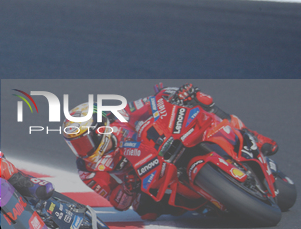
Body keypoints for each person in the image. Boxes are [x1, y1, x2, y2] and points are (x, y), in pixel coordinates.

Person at [62, 83, 279, 221]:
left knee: (201, 102)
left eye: (84, 140)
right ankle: (204, 199)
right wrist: (128, 190)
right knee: (146, 211)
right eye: (76, 144)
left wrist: (175, 93)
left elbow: (151, 102)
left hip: (162, 146)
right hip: (144, 180)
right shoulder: (87, 170)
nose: (82, 149)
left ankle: (253, 136)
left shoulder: (120, 116)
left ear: (102, 129)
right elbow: (117, 202)